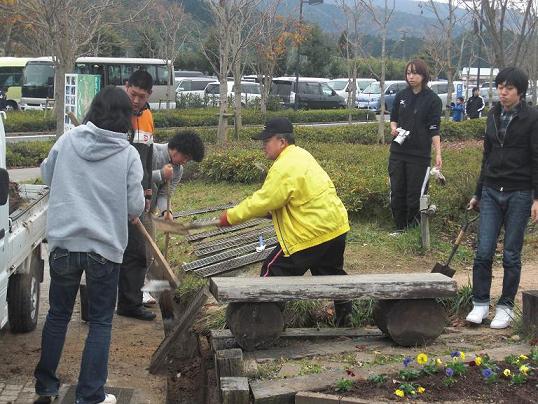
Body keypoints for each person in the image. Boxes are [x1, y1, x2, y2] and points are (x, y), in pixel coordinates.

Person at [34, 86, 144, 404]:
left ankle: (46, 388)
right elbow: (135, 207)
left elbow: (46, 174)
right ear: (127, 117)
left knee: (58, 315)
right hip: (104, 250)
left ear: (95, 109)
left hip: (64, 243)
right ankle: (90, 395)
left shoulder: (68, 140)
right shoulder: (128, 155)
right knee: (99, 322)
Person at [218, 118, 353, 326]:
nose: (263, 146)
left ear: (282, 141)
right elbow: (293, 197)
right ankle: (346, 320)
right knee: (331, 274)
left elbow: (263, 200)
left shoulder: (284, 166)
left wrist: (230, 217)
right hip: (335, 227)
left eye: (267, 141)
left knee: (273, 272)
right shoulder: (302, 155)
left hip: (310, 232)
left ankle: (260, 325)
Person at [465, 67, 538, 329]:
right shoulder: (493, 114)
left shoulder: (532, 118)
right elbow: (487, 156)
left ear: (520, 91)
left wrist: (536, 197)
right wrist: (477, 192)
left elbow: (536, 158)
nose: (503, 92)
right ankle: (480, 303)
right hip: (492, 190)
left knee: (511, 254)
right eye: (500, 87)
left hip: (519, 192)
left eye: (509, 88)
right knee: (483, 251)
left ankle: (506, 307)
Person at [117, 70, 157, 321]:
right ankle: (99, 302)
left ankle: (130, 303)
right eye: (132, 94)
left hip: (136, 195)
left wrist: (148, 191)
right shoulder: (115, 114)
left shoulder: (148, 116)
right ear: (126, 87)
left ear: (149, 95)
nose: (135, 100)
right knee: (108, 250)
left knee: (137, 251)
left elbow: (148, 155)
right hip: (113, 194)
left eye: (141, 96)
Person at [389, 59, 442, 231]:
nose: (411, 77)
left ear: (423, 75)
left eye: (415, 73)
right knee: (397, 191)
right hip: (398, 152)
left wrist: (438, 153)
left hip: (419, 155)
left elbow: (434, 129)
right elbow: (393, 118)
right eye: (408, 73)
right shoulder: (401, 96)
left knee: (415, 195)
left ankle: (412, 230)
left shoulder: (433, 100)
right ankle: (399, 228)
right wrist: (393, 128)